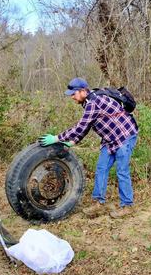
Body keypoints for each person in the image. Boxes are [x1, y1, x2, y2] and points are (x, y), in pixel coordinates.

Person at [39, 77, 138, 218]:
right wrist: (73, 142)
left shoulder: (94, 102)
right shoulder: (87, 102)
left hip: (124, 136)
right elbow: (87, 126)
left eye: (74, 94)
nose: (72, 97)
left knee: (122, 171)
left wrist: (56, 138)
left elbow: (80, 127)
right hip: (110, 140)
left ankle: (127, 206)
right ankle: (98, 203)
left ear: (83, 91)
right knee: (101, 168)